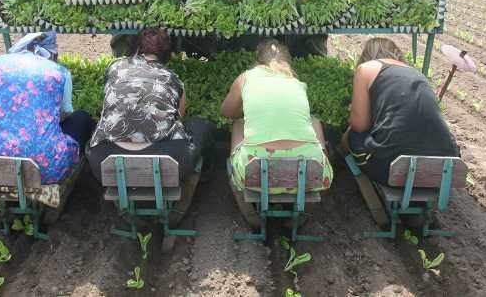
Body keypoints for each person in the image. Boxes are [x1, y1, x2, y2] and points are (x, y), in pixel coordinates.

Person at [86, 28, 214, 218]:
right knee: (200, 125)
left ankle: (123, 206)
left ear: (136, 47)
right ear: (167, 53)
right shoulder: (173, 78)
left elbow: (108, 99)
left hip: (106, 159)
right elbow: (179, 115)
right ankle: (201, 182)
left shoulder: (115, 68)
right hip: (166, 160)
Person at [221, 39, 333, 224]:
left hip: (254, 171)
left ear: (258, 61)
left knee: (238, 123)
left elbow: (226, 112)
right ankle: (300, 219)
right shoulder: (296, 83)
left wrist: (249, 111)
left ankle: (252, 217)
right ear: (288, 62)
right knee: (313, 120)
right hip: (308, 172)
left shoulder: (246, 78)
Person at [0, 32, 95, 184]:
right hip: (43, 167)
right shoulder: (59, 73)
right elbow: (64, 114)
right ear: (52, 54)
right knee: (81, 118)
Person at [340, 38, 460, 185]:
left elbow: (360, 125)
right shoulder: (416, 73)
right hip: (445, 167)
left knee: (353, 135)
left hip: (392, 168)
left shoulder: (366, 68)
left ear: (367, 55)